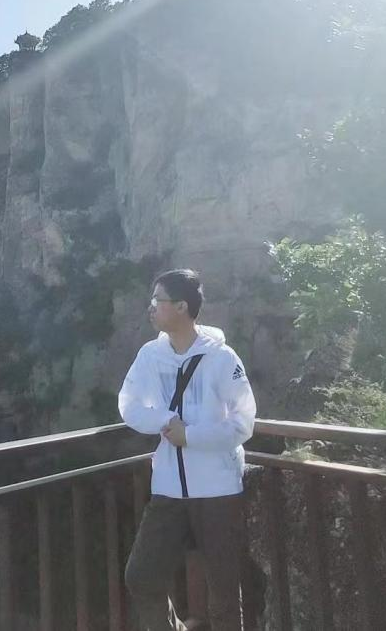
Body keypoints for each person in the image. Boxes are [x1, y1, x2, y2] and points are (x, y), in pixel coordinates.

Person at [119, 268, 257, 631]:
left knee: (224, 593)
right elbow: (129, 404)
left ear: (181, 306)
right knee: (141, 576)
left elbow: (243, 423)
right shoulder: (150, 355)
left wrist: (190, 436)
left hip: (217, 490)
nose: (151, 307)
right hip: (168, 488)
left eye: (158, 300)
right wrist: (165, 421)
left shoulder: (222, 358)